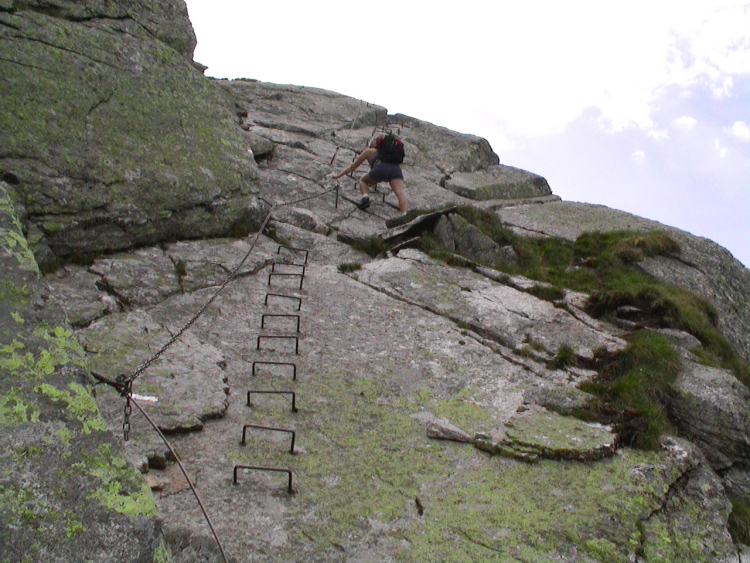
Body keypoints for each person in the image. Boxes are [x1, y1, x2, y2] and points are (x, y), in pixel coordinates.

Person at [332, 134, 407, 214]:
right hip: (396, 169)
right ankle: (404, 214)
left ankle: (365, 197)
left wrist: (338, 176)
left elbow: (352, 167)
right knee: (400, 193)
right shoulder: (389, 155)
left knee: (363, 181)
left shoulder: (369, 152)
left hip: (380, 169)